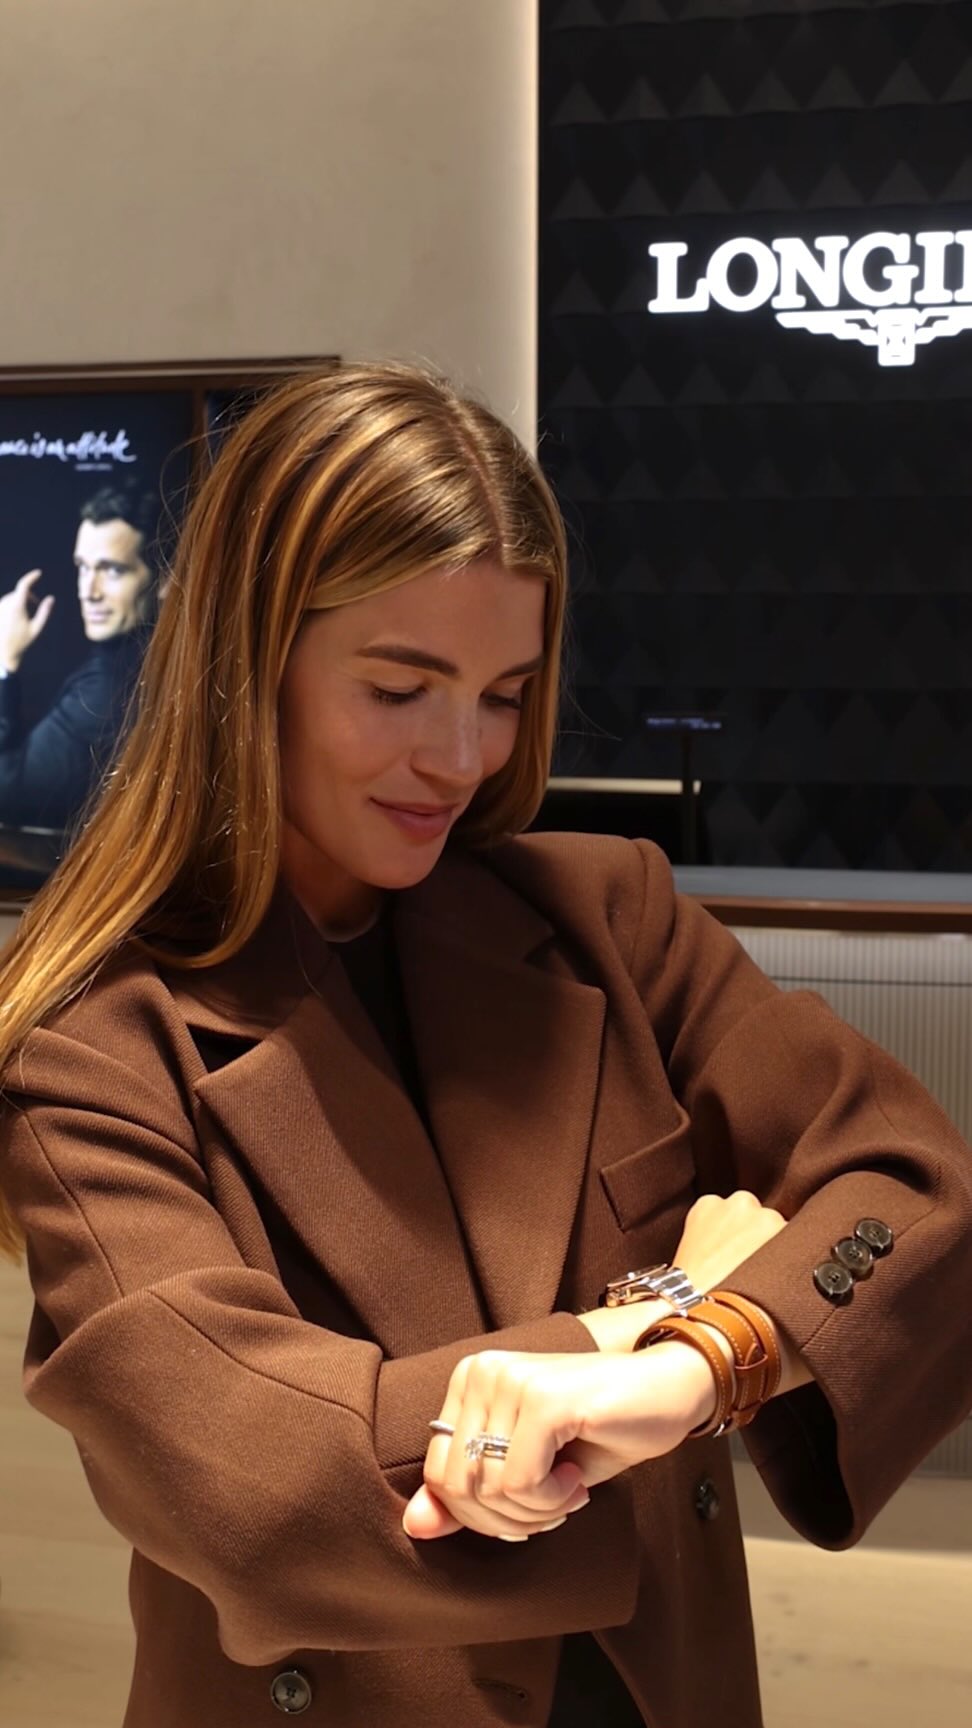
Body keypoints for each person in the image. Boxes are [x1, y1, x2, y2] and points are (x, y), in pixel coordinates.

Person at [0, 361, 970, 1728]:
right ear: (247, 666)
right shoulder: (92, 1038)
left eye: (504, 693)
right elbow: (254, 1487)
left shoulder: (609, 916)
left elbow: (914, 1188)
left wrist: (705, 1358)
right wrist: (646, 1316)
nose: (461, 755)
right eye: (400, 689)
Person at [0, 481, 160, 830]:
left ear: (165, 579)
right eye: (83, 567)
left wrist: (3, 661)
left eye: (112, 570)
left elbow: (6, 795)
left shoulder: (110, 687)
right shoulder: (138, 661)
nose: (88, 591)